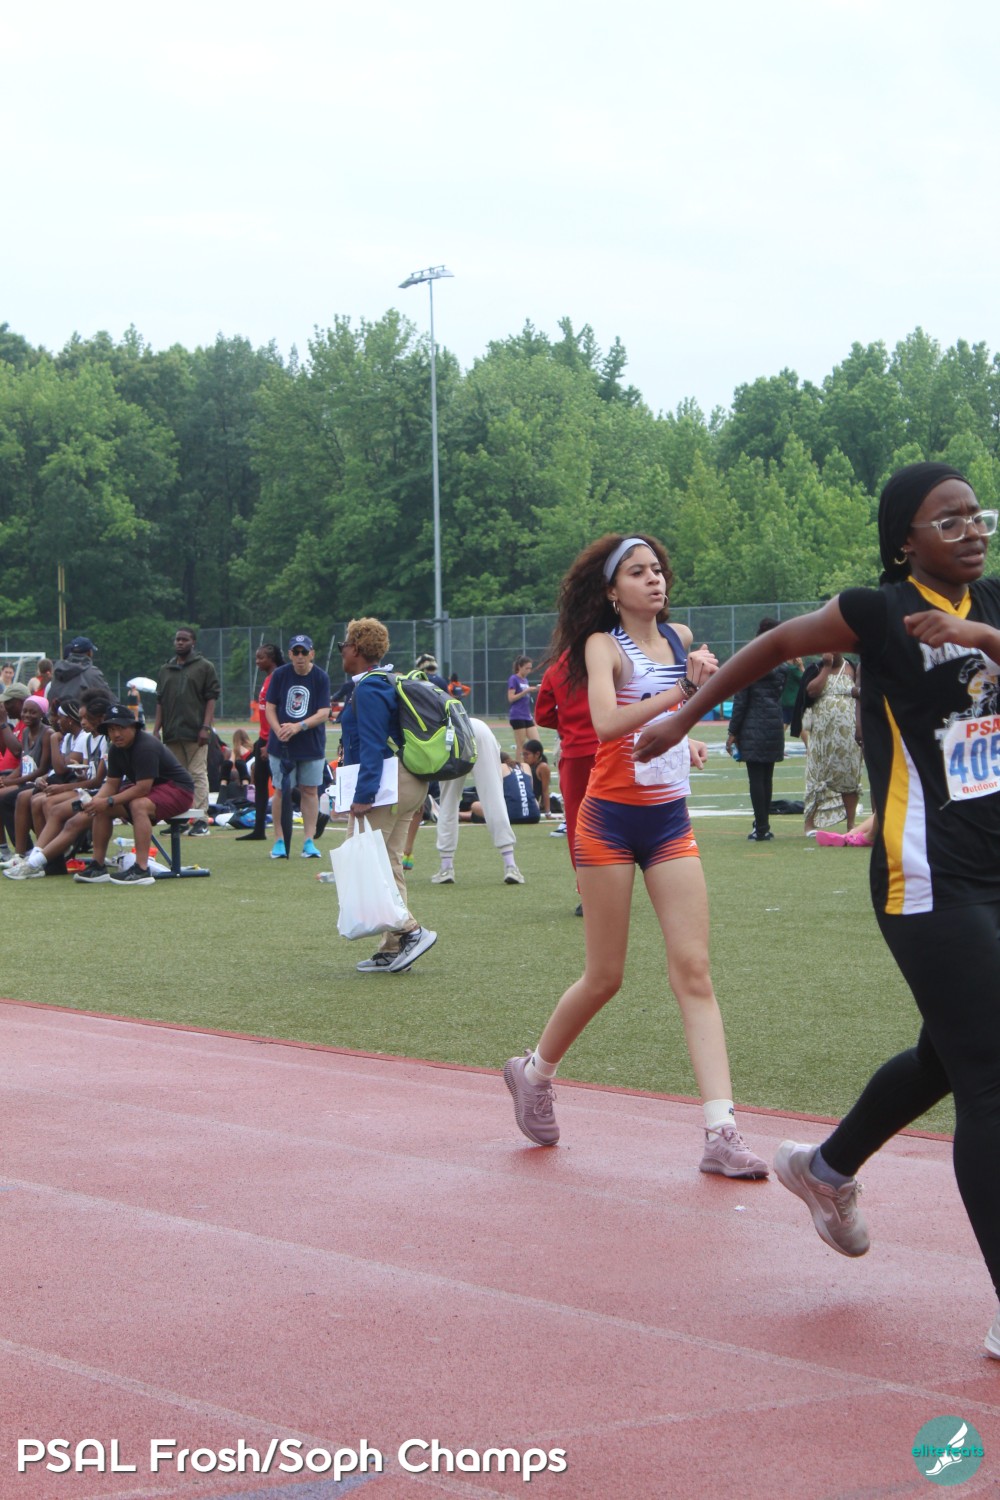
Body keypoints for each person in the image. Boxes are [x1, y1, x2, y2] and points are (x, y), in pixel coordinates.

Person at [635, 462, 1000, 1356]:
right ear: (905, 541)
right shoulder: (877, 611)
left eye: (977, 516)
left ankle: (827, 1169)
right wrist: (686, 716)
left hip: (996, 863)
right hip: (927, 873)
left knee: (950, 1053)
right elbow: (773, 649)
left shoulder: (989, 602)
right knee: (991, 1071)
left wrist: (976, 634)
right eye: (948, 521)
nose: (971, 532)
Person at [503, 534, 768, 1178]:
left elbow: (670, 722)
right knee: (605, 976)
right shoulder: (603, 646)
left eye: (658, 570)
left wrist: (687, 738)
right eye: (638, 572)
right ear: (611, 590)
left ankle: (721, 1131)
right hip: (609, 823)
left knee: (694, 970)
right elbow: (606, 724)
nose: (655, 580)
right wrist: (684, 696)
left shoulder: (680, 638)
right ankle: (533, 1073)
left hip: (669, 822)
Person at [338, 617, 437, 973]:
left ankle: (410, 930)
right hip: (407, 781)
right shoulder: (383, 681)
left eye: (344, 645)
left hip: (388, 783)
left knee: (364, 862)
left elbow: (373, 744)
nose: (341, 651)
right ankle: (392, 948)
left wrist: (363, 794)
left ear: (357, 649)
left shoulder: (368, 687)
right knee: (388, 863)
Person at [67, 703, 195, 885]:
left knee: (138, 804)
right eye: (111, 729)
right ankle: (97, 865)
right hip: (153, 790)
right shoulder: (115, 749)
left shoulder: (146, 746)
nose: (116, 734)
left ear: (134, 727)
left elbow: (142, 788)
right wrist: (96, 802)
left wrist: (108, 800)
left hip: (179, 790)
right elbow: (111, 783)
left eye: (121, 728)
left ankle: (141, 869)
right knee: (102, 808)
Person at [535, 651, 601, 916]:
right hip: (610, 748)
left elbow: (542, 715)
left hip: (575, 754)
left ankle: (588, 892)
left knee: (578, 825)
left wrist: (567, 724)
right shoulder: (610, 655)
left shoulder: (556, 668)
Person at [431, 718, 524, 885]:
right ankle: (511, 865)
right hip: (479, 730)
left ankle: (446, 867)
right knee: (494, 797)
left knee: (448, 802)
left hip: (451, 732)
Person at [265, 634, 331, 859]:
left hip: (311, 745)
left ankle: (309, 841)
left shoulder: (320, 677)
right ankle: (279, 840)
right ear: (290, 654)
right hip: (282, 746)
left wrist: (298, 726)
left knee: (310, 791)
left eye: (304, 652)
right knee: (281, 791)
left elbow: (324, 712)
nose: (300, 656)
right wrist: (278, 730)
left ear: (312, 653)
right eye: (296, 652)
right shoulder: (280, 675)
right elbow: (270, 707)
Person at [153, 627, 220, 836]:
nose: (180, 643)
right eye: (177, 639)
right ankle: (180, 819)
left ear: (193, 642)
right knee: (176, 779)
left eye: (184, 639)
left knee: (197, 774)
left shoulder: (204, 667)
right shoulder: (166, 669)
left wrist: (206, 727)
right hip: (172, 732)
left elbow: (211, 698)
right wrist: (156, 730)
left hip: (196, 731)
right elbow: (160, 701)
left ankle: (200, 820)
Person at [727, 619, 786, 842]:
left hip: (752, 725)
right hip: (773, 725)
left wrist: (733, 732)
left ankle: (760, 828)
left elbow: (741, 700)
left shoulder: (750, 664)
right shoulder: (782, 666)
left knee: (755, 779)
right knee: (767, 778)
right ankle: (763, 825)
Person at [801, 650, 863, 833]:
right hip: (822, 737)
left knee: (850, 775)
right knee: (816, 775)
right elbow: (811, 692)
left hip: (848, 736)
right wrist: (827, 667)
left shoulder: (852, 668)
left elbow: (861, 694)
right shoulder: (816, 669)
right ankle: (810, 823)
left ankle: (851, 823)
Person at [236, 643, 283, 843]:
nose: (257, 662)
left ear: (271, 659)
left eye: (261, 658)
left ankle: (316, 814)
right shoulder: (268, 678)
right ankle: (259, 829)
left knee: (281, 785)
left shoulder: (278, 677)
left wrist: (270, 742)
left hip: (272, 739)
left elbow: (278, 712)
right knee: (261, 784)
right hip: (263, 738)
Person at [49, 637, 109, 712]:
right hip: (77, 716)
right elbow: (109, 698)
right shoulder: (92, 673)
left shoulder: (58, 670)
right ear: (89, 653)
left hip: (55, 716)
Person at [520, 739, 559, 818]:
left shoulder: (542, 767)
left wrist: (548, 812)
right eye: (523, 754)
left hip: (529, 804)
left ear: (537, 754)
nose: (524, 757)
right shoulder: (526, 766)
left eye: (527, 754)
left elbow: (545, 791)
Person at [507, 655, 536, 756]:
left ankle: (533, 764)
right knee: (521, 745)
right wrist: (526, 691)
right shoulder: (514, 679)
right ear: (520, 667)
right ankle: (519, 765)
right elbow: (511, 698)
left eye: (530, 668)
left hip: (527, 715)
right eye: (526, 668)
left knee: (536, 743)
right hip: (517, 715)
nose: (529, 671)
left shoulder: (525, 680)